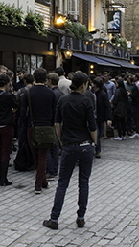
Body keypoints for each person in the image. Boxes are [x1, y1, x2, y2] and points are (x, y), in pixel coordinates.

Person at [42, 72, 98, 230]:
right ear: (83, 85)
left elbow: (57, 123)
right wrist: (94, 142)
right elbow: (92, 126)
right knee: (84, 182)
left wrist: (61, 140)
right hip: (85, 145)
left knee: (62, 184)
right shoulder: (87, 101)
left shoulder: (63, 100)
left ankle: (54, 218)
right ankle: (81, 216)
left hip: (68, 144)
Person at [25, 68, 58, 194]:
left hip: (31, 126)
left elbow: (23, 112)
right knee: (42, 156)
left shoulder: (29, 93)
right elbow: (55, 111)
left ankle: (40, 183)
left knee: (36, 155)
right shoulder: (51, 94)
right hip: (46, 126)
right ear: (46, 79)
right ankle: (40, 183)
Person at [92, 77, 111, 158]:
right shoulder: (92, 93)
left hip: (99, 116)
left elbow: (107, 106)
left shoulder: (102, 94)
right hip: (94, 116)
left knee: (99, 134)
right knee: (97, 133)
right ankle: (97, 150)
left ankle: (97, 149)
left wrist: (108, 118)